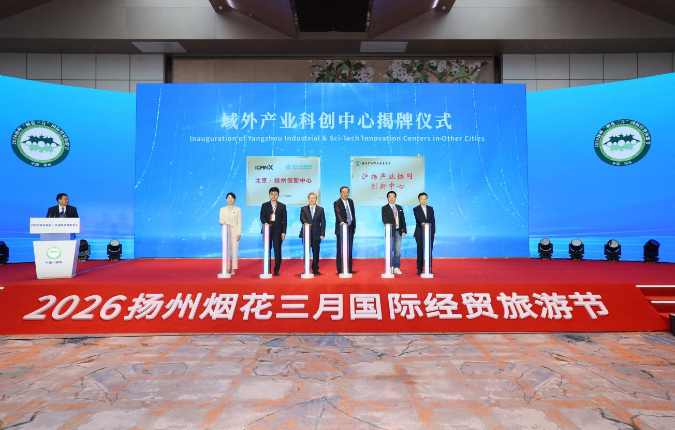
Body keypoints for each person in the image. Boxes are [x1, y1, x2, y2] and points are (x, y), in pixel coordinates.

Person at [260, 187, 287, 276]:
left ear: (278, 195)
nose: (274, 196)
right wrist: (266, 224)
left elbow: (284, 220)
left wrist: (283, 232)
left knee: (277, 251)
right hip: (267, 231)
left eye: (275, 194)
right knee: (267, 250)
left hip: (278, 232)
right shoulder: (264, 205)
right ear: (269, 195)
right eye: (272, 194)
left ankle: (276, 269)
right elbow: (262, 216)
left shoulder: (282, 206)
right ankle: (267, 269)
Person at [299, 192, 326, 275]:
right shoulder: (304, 209)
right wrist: (306, 223)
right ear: (308, 199)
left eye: (313, 198)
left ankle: (315, 269)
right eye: (310, 198)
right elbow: (302, 218)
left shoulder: (320, 209)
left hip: (316, 234)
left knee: (316, 252)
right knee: (306, 252)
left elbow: (323, 222)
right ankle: (306, 269)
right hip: (306, 233)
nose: (311, 200)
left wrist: (322, 234)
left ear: (316, 199)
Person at [381, 191, 407, 275]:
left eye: (393, 196)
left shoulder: (399, 207)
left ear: (395, 198)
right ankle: (390, 266)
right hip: (390, 231)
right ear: (387, 198)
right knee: (389, 250)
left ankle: (396, 267)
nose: (392, 198)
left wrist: (404, 230)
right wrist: (386, 223)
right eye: (390, 196)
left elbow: (403, 219)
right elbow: (384, 219)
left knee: (397, 251)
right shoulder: (384, 208)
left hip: (399, 231)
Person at [333, 186, 356, 274]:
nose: (345, 194)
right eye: (343, 192)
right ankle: (340, 269)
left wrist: (354, 226)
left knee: (349, 249)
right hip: (341, 228)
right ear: (340, 193)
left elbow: (353, 214)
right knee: (340, 249)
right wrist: (342, 222)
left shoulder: (351, 201)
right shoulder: (337, 203)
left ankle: (349, 268)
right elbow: (337, 214)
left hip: (350, 227)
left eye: (347, 192)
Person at [219, 192, 242, 275]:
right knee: (226, 250)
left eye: (232, 198)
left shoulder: (238, 209)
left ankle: (233, 269)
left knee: (234, 250)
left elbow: (239, 222)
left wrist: (239, 233)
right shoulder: (222, 209)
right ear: (226, 199)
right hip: (225, 231)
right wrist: (225, 223)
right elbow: (221, 220)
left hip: (234, 231)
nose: (230, 199)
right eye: (228, 198)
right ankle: (227, 268)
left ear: (234, 199)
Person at [413, 192, 436, 275]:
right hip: (420, 232)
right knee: (420, 251)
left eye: (425, 199)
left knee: (429, 251)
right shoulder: (416, 209)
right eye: (421, 199)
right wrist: (423, 223)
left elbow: (433, 220)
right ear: (419, 200)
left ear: (427, 199)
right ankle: (419, 269)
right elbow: (418, 219)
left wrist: (433, 231)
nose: (423, 200)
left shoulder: (430, 208)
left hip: (430, 232)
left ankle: (429, 268)